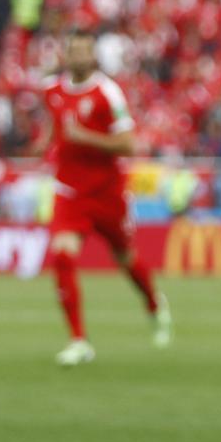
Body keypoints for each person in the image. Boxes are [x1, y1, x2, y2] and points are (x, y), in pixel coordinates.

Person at [35, 29, 172, 366]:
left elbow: (128, 144)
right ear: (65, 55)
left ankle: (155, 304)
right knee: (63, 256)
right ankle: (79, 340)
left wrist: (84, 137)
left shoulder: (107, 93)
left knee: (125, 258)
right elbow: (54, 129)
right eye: (73, 51)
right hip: (69, 190)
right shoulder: (51, 90)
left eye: (85, 51)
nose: (79, 57)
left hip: (107, 192)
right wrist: (43, 146)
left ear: (93, 57)